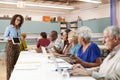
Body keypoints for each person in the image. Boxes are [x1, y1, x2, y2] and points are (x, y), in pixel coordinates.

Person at [4, 14, 24, 80]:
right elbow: (5, 37)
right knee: (10, 65)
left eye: (20, 20)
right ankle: (9, 78)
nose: (18, 21)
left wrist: (21, 38)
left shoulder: (19, 28)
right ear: (14, 19)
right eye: (17, 19)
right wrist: (10, 38)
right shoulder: (9, 27)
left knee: (17, 64)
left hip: (17, 46)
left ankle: (16, 78)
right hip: (10, 46)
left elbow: (18, 37)